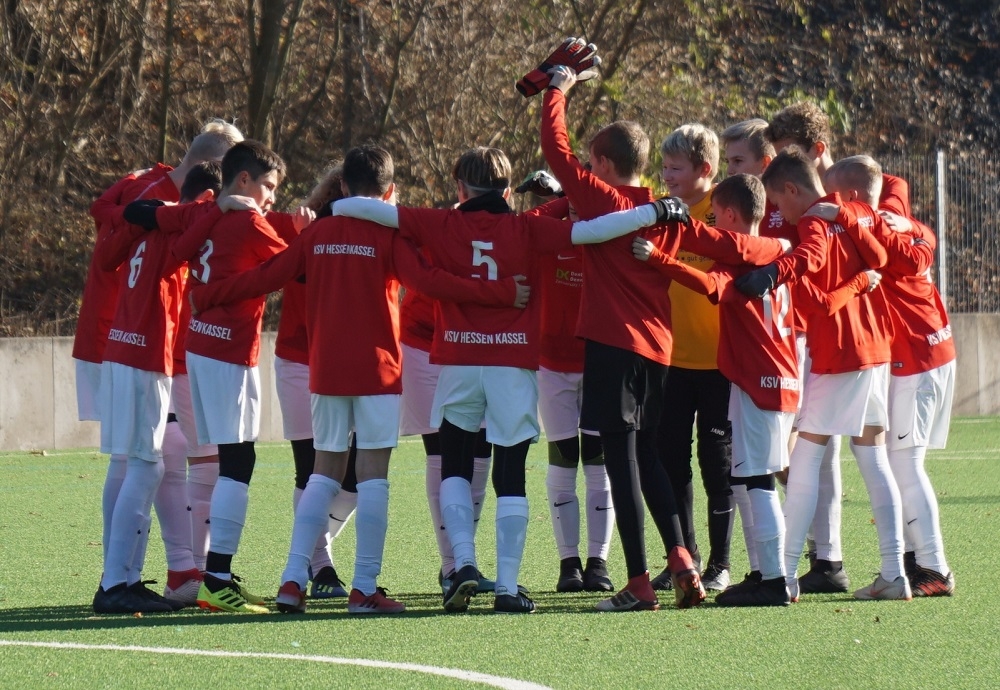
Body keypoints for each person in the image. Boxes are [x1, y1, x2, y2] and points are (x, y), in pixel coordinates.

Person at [330, 146, 696, 613]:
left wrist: (334, 207)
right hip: (512, 363)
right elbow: (595, 230)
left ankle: (462, 564)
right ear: (507, 191)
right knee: (511, 472)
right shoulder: (526, 227)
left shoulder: (440, 222)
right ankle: (507, 587)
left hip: (459, 359)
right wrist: (653, 211)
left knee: (455, 463)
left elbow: (362, 208)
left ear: (460, 188)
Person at [189, 144, 532, 614]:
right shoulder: (388, 236)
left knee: (321, 474)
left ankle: (293, 580)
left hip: (326, 369)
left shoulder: (317, 232)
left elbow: (267, 276)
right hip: (377, 371)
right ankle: (364, 587)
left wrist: (207, 296)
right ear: (388, 193)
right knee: (373, 478)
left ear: (344, 186)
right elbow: (432, 283)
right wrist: (502, 292)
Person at [538, 63, 786, 611]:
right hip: (660, 350)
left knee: (621, 459)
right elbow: (730, 246)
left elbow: (555, 149)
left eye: (592, 162)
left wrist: (558, 89)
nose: (586, 169)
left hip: (613, 345)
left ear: (604, 166)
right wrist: (783, 252)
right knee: (649, 453)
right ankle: (681, 557)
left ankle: (636, 582)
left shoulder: (605, 200)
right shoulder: (668, 213)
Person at [633, 173, 879, 606]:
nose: (712, 223)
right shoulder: (779, 249)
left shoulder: (744, 258)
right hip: (783, 376)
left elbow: (709, 284)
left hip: (757, 379)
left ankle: (775, 579)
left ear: (729, 214)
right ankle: (767, 573)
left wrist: (659, 259)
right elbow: (815, 298)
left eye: (715, 216)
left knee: (757, 480)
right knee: (754, 477)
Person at [125, 140, 312, 612]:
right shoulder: (248, 221)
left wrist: (214, 211)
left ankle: (211, 574)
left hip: (201, 347)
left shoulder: (209, 214)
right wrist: (311, 237)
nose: (272, 197)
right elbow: (298, 268)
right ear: (243, 179)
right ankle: (217, 579)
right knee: (237, 461)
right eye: (268, 186)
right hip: (229, 351)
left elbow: (171, 238)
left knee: (224, 459)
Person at [747, 148, 910, 601]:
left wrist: (783, 273)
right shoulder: (853, 210)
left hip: (840, 354)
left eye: (778, 202)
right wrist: (860, 278)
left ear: (792, 189)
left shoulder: (811, 226)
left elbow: (817, 300)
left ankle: (783, 575)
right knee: (872, 458)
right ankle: (894, 572)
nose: (780, 213)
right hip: (875, 347)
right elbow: (879, 258)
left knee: (804, 461)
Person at [90, 161, 225, 614]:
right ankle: (114, 583)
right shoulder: (174, 227)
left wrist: (140, 213)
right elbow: (199, 227)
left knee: (130, 464)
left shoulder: (149, 223)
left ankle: (123, 578)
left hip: (121, 350)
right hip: (146, 355)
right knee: (147, 467)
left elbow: (106, 256)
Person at [822, 155, 956, 596]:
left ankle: (934, 569)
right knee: (901, 462)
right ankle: (917, 563)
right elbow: (903, 206)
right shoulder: (883, 215)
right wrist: (915, 227)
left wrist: (902, 228)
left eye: (835, 195)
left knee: (905, 464)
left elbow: (913, 251)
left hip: (918, 357)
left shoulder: (875, 226)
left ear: (852, 196)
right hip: (925, 351)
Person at [514, 170, 614, 594]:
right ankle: (568, 562)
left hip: (599, 363)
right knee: (562, 458)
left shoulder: (608, 236)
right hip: (552, 365)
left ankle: (598, 561)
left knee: (597, 460)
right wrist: (562, 197)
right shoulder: (549, 234)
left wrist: (579, 200)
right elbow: (523, 224)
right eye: (570, 196)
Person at [654, 124, 734, 593]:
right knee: (671, 462)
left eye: (676, 168)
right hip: (671, 360)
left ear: (705, 169)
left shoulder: (724, 210)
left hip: (721, 363)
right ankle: (685, 558)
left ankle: (721, 563)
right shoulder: (662, 213)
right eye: (664, 167)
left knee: (716, 465)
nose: (667, 176)